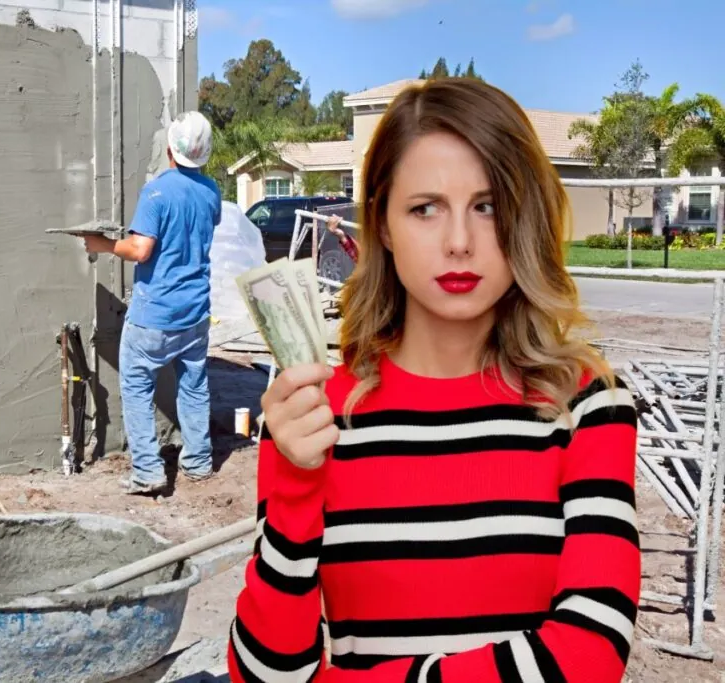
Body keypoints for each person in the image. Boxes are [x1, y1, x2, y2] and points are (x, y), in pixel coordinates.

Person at [228, 79, 639, 681]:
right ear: (384, 226)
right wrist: (295, 480)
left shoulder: (584, 404)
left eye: (489, 205)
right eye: (425, 208)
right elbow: (265, 673)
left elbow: (590, 650)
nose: (459, 243)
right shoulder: (314, 413)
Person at [83, 111, 221, 495]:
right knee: (194, 387)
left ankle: (148, 471)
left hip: (156, 314)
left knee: (137, 386)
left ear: (170, 150)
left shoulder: (157, 191)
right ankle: (198, 462)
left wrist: (103, 245)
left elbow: (142, 250)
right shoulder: (211, 192)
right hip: (195, 313)